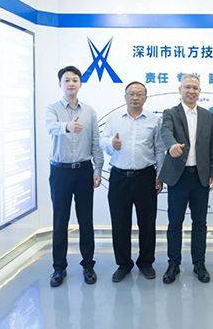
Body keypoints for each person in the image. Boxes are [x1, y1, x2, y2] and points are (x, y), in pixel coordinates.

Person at [99, 81, 165, 282]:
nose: (135, 97)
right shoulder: (114, 119)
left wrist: (160, 175)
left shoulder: (154, 120)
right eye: (131, 94)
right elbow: (102, 140)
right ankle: (123, 264)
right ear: (125, 97)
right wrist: (112, 143)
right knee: (120, 223)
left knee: (147, 223)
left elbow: (159, 149)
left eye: (139, 94)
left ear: (145, 98)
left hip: (146, 176)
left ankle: (146, 262)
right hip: (119, 177)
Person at [44, 65, 103, 287]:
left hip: (84, 170)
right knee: (60, 221)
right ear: (60, 84)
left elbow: (96, 141)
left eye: (75, 80)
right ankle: (59, 268)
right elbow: (50, 128)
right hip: (60, 171)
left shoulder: (89, 111)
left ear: (80, 84)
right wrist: (67, 126)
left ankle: (88, 265)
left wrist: (97, 170)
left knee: (86, 220)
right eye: (67, 80)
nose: (71, 83)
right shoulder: (52, 109)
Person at [159, 74, 213, 284]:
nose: (191, 91)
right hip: (179, 177)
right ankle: (173, 263)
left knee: (200, 223)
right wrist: (172, 145)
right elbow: (165, 132)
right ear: (180, 90)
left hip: (201, 177)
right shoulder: (170, 113)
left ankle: (199, 263)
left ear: (199, 91)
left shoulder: (207, 116)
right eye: (187, 87)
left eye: (195, 88)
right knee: (175, 222)